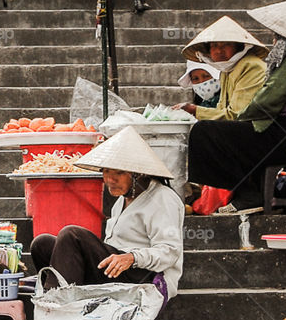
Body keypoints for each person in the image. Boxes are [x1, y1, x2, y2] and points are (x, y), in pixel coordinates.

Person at [188, 0, 286, 214]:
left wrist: (241, 117)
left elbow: (269, 97)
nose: (274, 40)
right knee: (224, 133)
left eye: (277, 36)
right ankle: (248, 192)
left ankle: (250, 193)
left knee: (205, 132)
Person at [29, 127, 184, 302]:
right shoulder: (121, 201)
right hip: (115, 270)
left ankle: (58, 307)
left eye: (119, 173)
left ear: (139, 174)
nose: (110, 179)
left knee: (71, 235)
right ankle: (58, 300)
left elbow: (170, 252)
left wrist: (132, 258)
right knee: (42, 244)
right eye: (106, 172)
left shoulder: (162, 198)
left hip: (145, 278)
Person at [175, 17, 268, 121]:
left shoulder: (250, 66)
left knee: (202, 128)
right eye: (214, 46)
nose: (219, 51)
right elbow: (221, 109)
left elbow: (238, 114)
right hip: (240, 124)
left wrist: (195, 110)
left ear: (238, 47)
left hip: (256, 126)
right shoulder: (226, 70)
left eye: (226, 45)